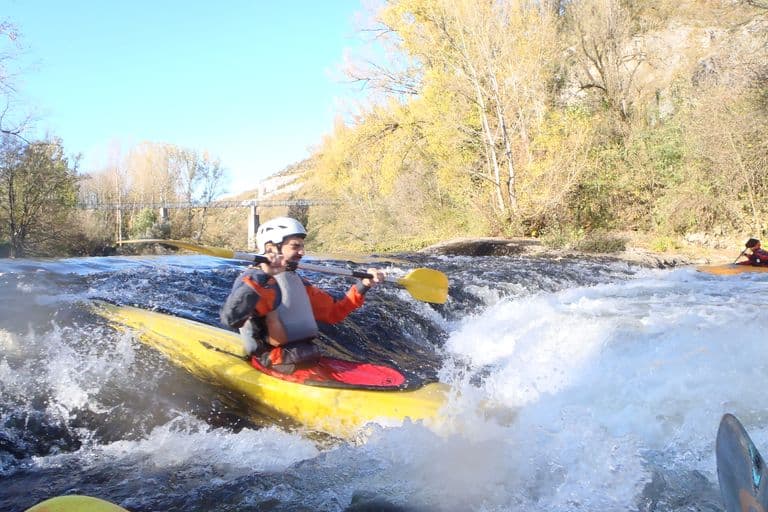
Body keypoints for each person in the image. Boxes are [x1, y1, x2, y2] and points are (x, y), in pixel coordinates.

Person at [219, 216, 385, 373]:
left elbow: (334, 312)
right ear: (271, 248)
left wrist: (363, 286)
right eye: (295, 246)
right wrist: (262, 275)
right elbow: (231, 319)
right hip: (272, 364)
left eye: (302, 246)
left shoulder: (297, 281)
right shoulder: (255, 281)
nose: (302, 252)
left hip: (306, 357)